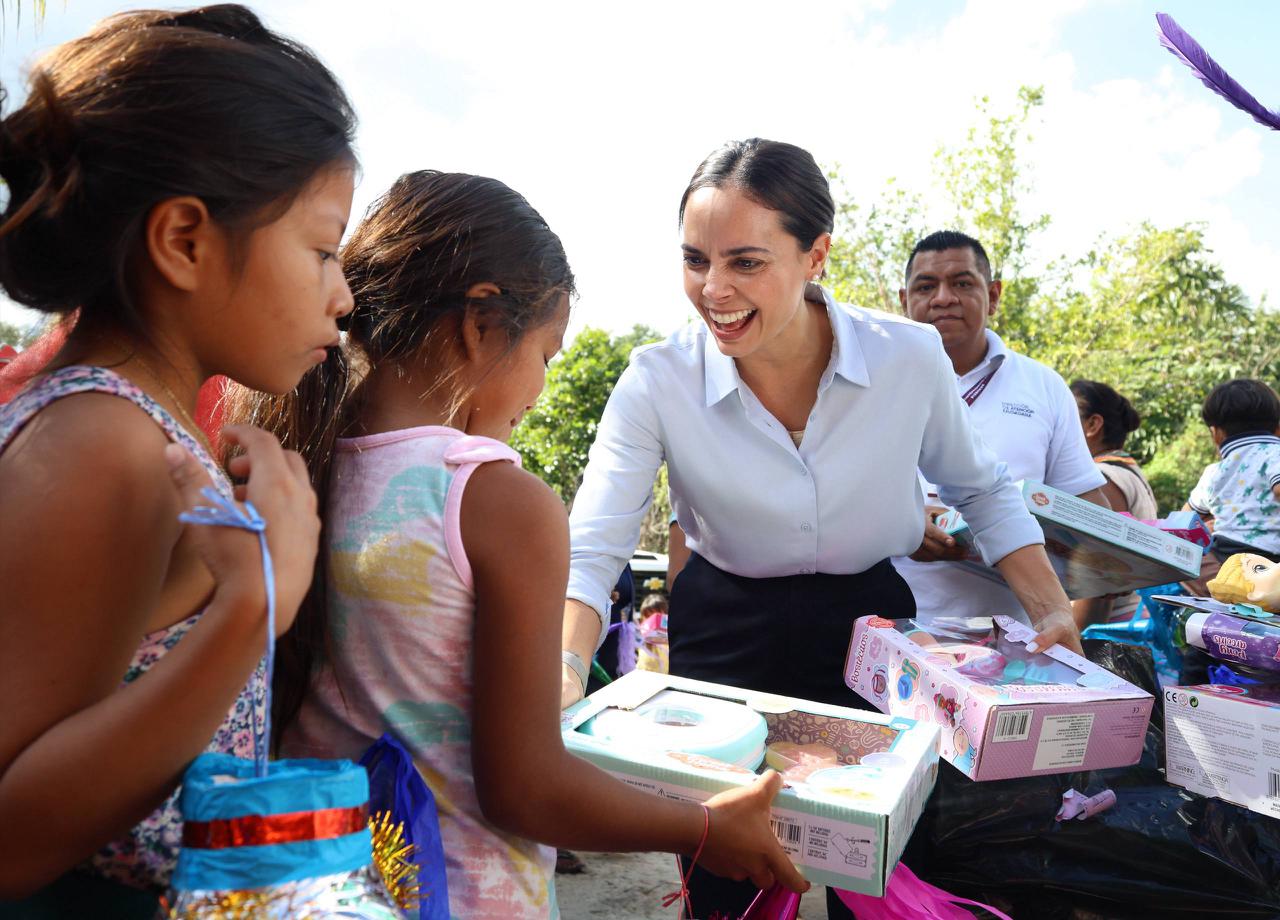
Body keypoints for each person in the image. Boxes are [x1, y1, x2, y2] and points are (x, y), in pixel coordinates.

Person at [224, 171, 806, 919]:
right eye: (546, 356)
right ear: (480, 324)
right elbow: (526, 788)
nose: (536, 392)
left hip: (310, 881)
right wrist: (704, 828)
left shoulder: (297, 460)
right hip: (457, 891)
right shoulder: (492, 498)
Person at [560, 138, 1083, 919]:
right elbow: (594, 546)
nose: (713, 290)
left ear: (816, 256)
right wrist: (566, 667)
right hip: (725, 625)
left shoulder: (908, 358)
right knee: (724, 856)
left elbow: (983, 488)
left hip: (868, 623)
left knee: (883, 858)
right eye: (695, 260)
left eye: (745, 261)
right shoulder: (656, 379)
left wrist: (1048, 610)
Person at [0, 6, 354, 913]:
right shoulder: (106, 447)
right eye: (320, 251)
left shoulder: (141, 434)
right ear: (185, 241)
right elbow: (10, 842)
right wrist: (253, 605)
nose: (343, 295)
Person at [892, 231, 1110, 625]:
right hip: (888, 630)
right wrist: (897, 519)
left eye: (962, 283)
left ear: (993, 296)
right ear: (904, 301)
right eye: (926, 286)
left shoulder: (1043, 387)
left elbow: (1089, 510)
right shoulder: (871, 380)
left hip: (1011, 637)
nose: (943, 298)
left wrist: (1124, 552)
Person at [1070, 379, 1158, 625]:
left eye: (1065, 416)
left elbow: (1100, 574)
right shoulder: (1124, 471)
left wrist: (1074, 642)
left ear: (1092, 425)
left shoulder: (1103, 480)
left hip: (1109, 629)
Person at [1186, 378, 1280, 562]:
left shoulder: (1213, 472)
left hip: (1224, 557)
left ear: (1215, 434)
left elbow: (1184, 518)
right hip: (1269, 558)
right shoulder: (1275, 453)